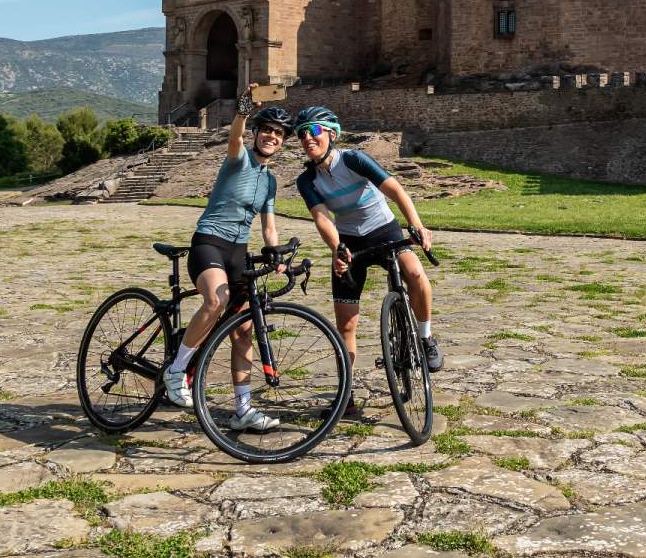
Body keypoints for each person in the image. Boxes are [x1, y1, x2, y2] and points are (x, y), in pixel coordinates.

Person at [293, 105, 441, 420]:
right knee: (345, 323)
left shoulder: (354, 160)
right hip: (349, 241)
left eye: (314, 130)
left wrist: (416, 225)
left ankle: (426, 337)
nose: (307, 138)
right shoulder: (307, 180)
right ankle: (345, 397)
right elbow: (322, 218)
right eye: (302, 133)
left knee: (415, 273)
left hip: (383, 230)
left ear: (331, 134)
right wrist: (337, 249)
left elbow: (395, 190)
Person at [161, 85, 293, 434]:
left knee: (244, 331)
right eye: (267, 130)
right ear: (257, 133)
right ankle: (176, 370)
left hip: (238, 252)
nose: (271, 136)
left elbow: (268, 227)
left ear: (283, 142)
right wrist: (243, 111)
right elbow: (234, 138)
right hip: (210, 242)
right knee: (216, 300)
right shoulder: (239, 159)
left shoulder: (270, 182)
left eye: (278, 134)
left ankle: (243, 409)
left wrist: (276, 254)